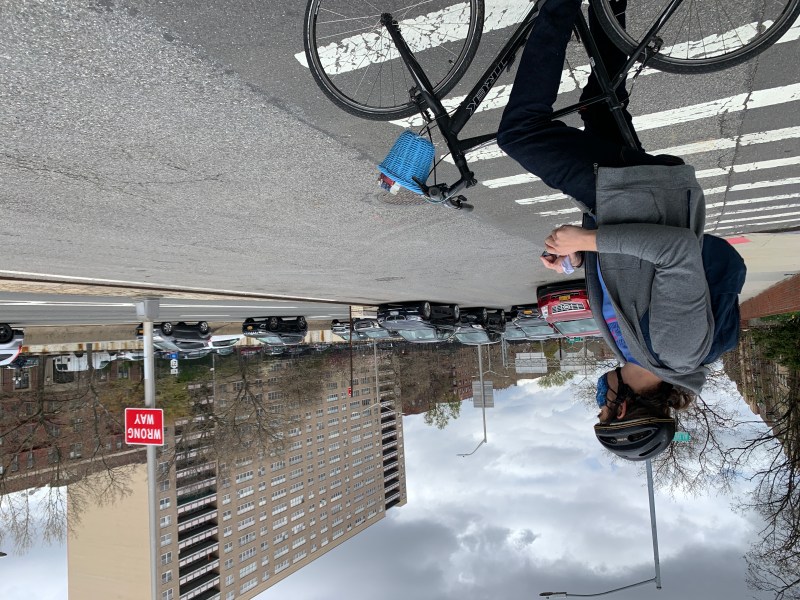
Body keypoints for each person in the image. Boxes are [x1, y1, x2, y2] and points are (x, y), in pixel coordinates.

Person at [496, 0, 714, 461]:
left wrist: (577, 258)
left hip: (623, 205)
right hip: (643, 195)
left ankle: (610, 8)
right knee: (519, 133)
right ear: (622, 411)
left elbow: (628, 273)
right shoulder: (677, 351)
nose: (597, 403)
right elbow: (678, 253)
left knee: (600, 104)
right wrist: (587, 239)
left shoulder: (630, 350)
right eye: (601, 412)